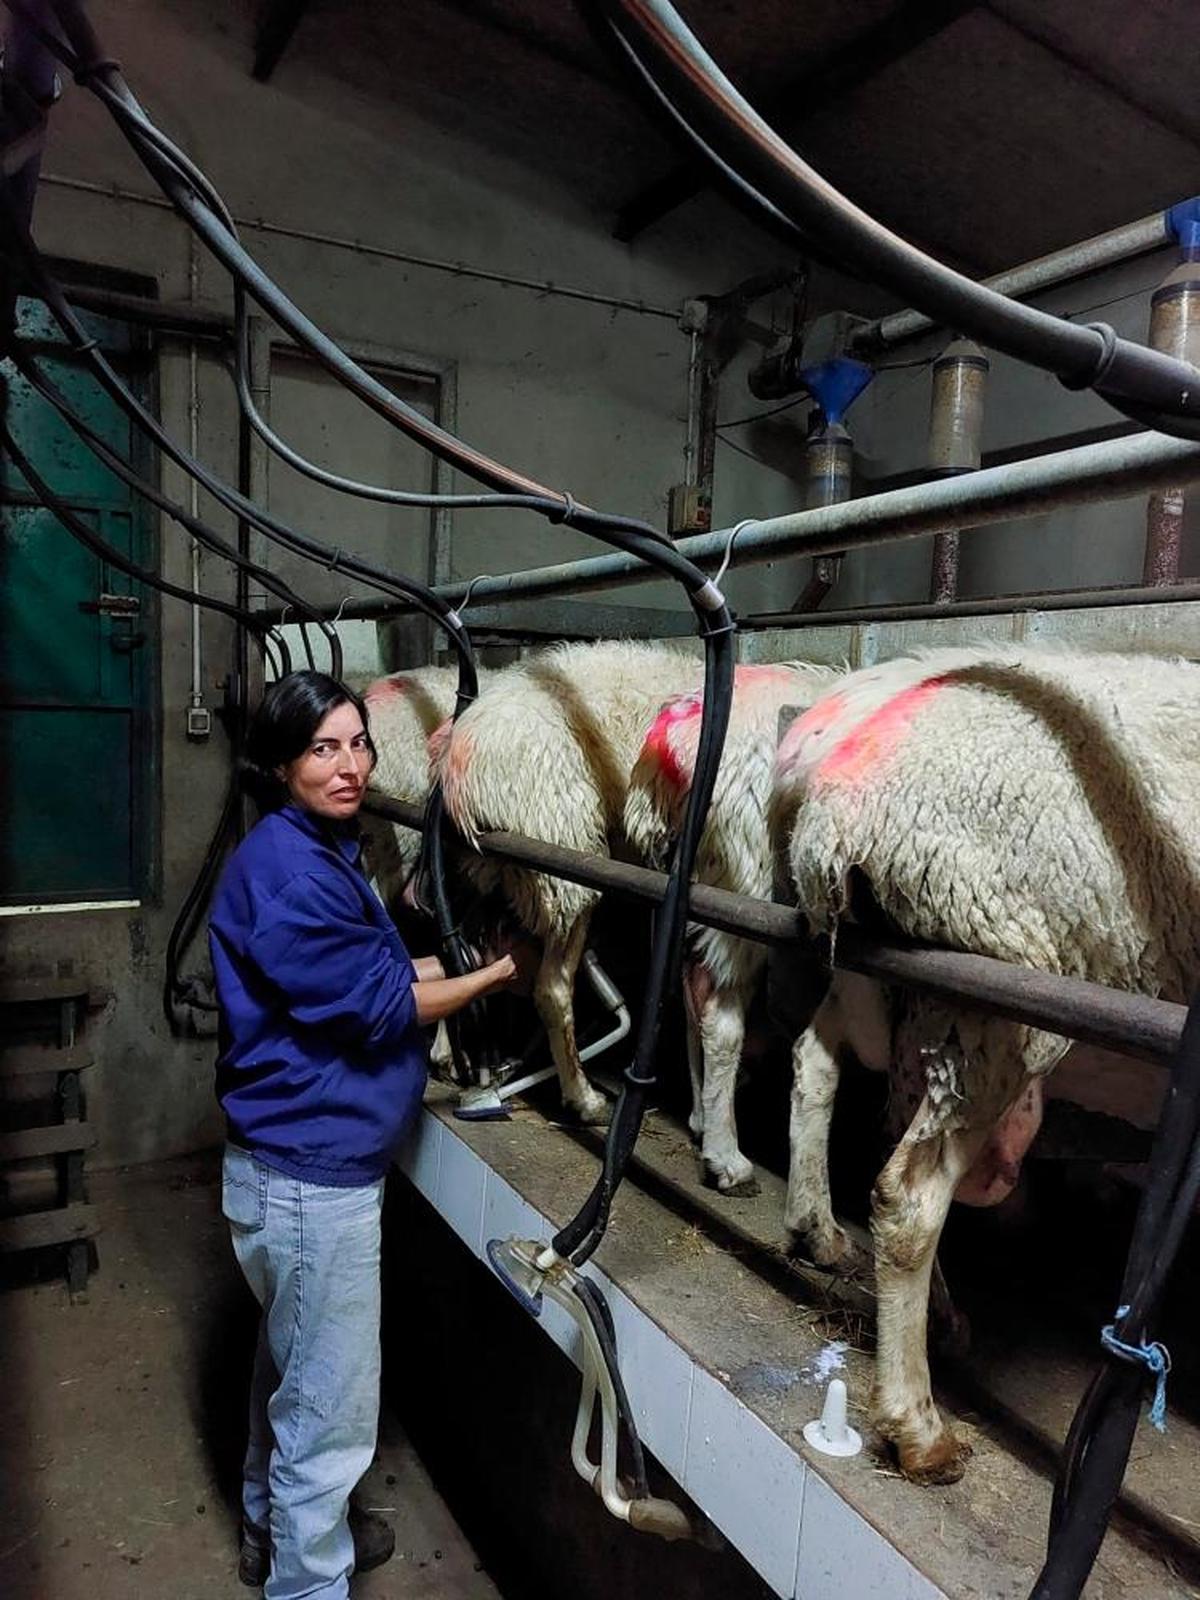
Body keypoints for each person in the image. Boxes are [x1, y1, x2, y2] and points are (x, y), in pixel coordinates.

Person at [209, 670, 516, 1599]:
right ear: (279, 763)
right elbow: (381, 1006)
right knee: (329, 1416)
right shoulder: (298, 873)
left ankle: (278, 1537)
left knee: (293, 1375)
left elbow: (367, 968)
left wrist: (441, 956)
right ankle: (307, 1585)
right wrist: (500, 971)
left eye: (357, 743)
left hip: (293, 1171)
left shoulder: (311, 848)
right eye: (321, 749)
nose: (348, 767)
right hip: (310, 1184)